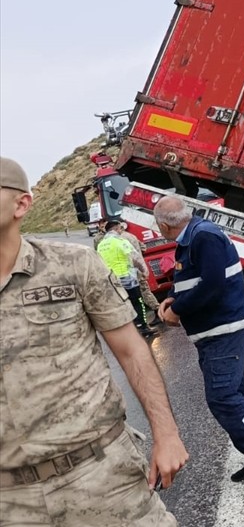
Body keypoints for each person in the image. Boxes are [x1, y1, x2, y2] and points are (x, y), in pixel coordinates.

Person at [0, 156, 188, 526]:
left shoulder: (72, 266)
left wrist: (166, 434)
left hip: (100, 474)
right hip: (12, 502)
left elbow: (132, 350)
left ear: (22, 204)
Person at [153, 195, 244, 483]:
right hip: (214, 332)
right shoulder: (194, 237)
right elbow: (193, 279)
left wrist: (177, 310)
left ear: (163, 226)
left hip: (223, 330)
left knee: (223, 398)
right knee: (232, 395)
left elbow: (213, 283)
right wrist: (173, 299)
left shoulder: (204, 237)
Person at [97, 219, 155, 337]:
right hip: (127, 278)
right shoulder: (120, 241)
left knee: (121, 306)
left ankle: (130, 330)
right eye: (120, 228)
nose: (121, 231)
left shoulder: (101, 245)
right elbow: (135, 257)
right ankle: (143, 326)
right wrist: (144, 271)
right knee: (137, 302)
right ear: (116, 229)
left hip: (111, 281)